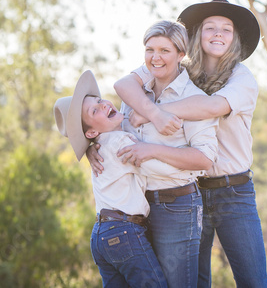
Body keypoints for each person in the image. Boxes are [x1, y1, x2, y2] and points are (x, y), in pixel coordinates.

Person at [112, 0, 267, 287]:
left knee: (252, 281)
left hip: (232, 191)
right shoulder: (178, 67)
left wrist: (152, 114)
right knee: (196, 281)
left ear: (235, 39)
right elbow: (124, 85)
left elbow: (210, 108)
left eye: (226, 29)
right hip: (188, 194)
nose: (218, 33)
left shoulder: (242, 79)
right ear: (197, 35)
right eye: (210, 27)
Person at [88, 20, 220, 287]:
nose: (155, 58)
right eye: (150, 50)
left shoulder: (193, 99)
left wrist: (152, 150)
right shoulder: (136, 94)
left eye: (164, 51)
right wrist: (92, 147)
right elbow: (113, 130)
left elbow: (205, 159)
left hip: (177, 207)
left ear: (181, 55)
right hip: (137, 212)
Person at [53, 70, 168, 288]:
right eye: (94, 110)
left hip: (101, 236)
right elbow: (158, 170)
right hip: (124, 232)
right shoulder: (119, 142)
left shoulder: (103, 144)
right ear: (90, 133)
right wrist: (192, 165)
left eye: (99, 101)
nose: (104, 105)